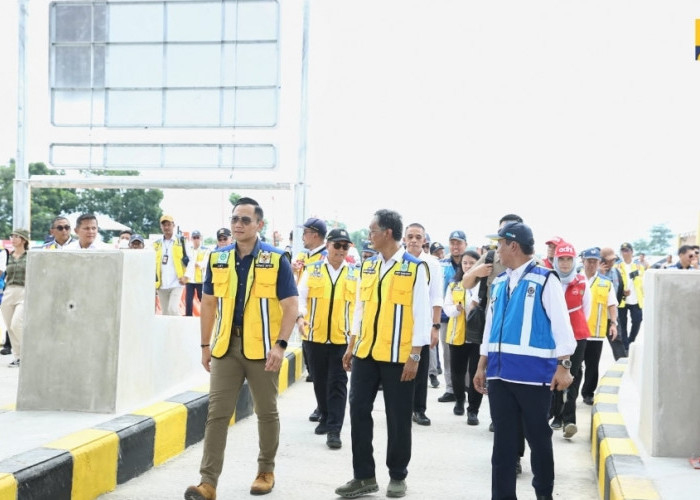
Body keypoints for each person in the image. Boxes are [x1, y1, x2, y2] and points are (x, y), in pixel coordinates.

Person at [184, 197, 298, 499]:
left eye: (246, 220)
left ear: (259, 224)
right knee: (216, 414)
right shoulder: (217, 257)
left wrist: (280, 345)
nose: (238, 224)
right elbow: (207, 303)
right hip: (225, 348)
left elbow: (291, 306)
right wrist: (205, 345)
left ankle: (265, 471)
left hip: (263, 350)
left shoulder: (276, 259)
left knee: (266, 411)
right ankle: (207, 483)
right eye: (235, 219)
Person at [473, 221, 576, 500]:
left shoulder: (545, 279)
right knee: (503, 445)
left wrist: (564, 366)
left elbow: (562, 327)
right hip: (499, 375)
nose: (496, 251)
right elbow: (490, 327)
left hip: (533, 376)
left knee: (539, 439)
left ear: (513, 246)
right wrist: (482, 364)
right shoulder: (499, 283)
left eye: (499, 245)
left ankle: (544, 494)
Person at [335, 209, 430, 499]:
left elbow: (422, 316)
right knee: (359, 410)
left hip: (399, 357)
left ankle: (397, 475)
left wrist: (415, 356)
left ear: (387, 232)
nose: (368, 235)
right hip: (366, 352)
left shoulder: (415, 267)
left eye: (372, 230)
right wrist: (352, 345)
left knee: (398, 416)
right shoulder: (368, 266)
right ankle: (363, 476)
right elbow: (360, 309)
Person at [296, 228, 356, 449]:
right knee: (319, 381)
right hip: (314, 336)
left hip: (342, 338)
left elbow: (359, 307)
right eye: (337, 245)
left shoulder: (354, 274)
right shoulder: (312, 270)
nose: (340, 250)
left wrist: (355, 337)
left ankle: (334, 429)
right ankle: (325, 413)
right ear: (328, 245)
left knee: (338, 384)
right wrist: (300, 318)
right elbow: (300, 296)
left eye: (345, 246)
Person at [548, 241, 591, 439]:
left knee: (572, 375)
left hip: (577, 335)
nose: (565, 264)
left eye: (568, 259)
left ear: (574, 261)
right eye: (561, 259)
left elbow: (586, 309)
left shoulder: (582, 281)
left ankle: (569, 419)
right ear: (555, 260)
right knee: (555, 373)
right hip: (554, 336)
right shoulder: (550, 279)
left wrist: (575, 329)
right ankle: (556, 415)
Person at [402, 223, 442, 427]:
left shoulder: (432, 264)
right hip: (400, 325)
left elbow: (436, 297)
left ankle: (419, 409)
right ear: (404, 238)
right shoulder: (399, 261)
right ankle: (402, 408)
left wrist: (435, 326)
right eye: (410, 236)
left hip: (424, 325)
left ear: (424, 240)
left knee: (420, 366)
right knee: (399, 368)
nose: (414, 240)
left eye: (418, 237)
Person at [292, 217, 328, 420]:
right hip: (303, 316)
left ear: (315, 234)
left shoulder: (326, 257)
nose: (303, 237)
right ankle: (321, 405)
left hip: (321, 319)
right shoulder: (302, 256)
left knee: (323, 370)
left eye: (305, 232)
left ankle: (325, 407)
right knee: (314, 368)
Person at [443, 249, 483, 424]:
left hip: (477, 337)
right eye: (465, 263)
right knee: (457, 372)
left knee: (475, 372)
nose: (468, 266)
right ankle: (459, 400)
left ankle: (473, 410)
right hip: (457, 333)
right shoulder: (454, 285)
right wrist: (456, 309)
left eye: (471, 263)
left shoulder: (483, 285)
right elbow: (447, 307)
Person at [579, 247, 619, 405]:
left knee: (592, 366)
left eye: (595, 262)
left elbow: (612, 305)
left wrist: (614, 324)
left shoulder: (605, 283)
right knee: (575, 366)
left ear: (599, 263)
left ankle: (588, 393)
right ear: (583, 261)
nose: (591, 264)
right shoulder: (575, 280)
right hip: (577, 332)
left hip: (596, 332)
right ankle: (570, 393)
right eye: (589, 261)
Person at [434, 229, 468, 404]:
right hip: (447, 317)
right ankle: (450, 388)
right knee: (448, 354)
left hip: (467, 318)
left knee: (467, 354)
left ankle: (466, 387)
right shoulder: (442, 265)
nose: (455, 246)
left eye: (459, 243)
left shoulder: (472, 262)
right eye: (452, 243)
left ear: (465, 245)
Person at [1, 229, 30, 368]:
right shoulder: (7, 255)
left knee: (16, 324)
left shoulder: (30, 256)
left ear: (23, 240)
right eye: (12, 236)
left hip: (24, 291)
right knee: (10, 328)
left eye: (16, 236)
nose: (13, 238)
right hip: (8, 292)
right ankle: (18, 357)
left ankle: (29, 354)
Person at [153, 215, 188, 316]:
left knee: (172, 309)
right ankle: (169, 332)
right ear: (161, 227)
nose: (166, 227)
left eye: (169, 224)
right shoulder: (156, 244)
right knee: (165, 313)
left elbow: (191, 259)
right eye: (164, 225)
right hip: (162, 284)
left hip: (177, 282)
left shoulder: (181, 241)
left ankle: (180, 329)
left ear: (173, 225)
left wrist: (187, 276)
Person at [598, 247, 627, 360]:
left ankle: (623, 367)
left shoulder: (616, 272)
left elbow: (619, 290)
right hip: (597, 314)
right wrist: (600, 274)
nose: (611, 262)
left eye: (613, 260)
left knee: (617, 341)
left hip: (612, 314)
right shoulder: (595, 273)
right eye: (608, 260)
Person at [617, 242, 644, 353]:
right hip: (622, 299)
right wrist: (622, 291)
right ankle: (625, 346)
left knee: (637, 320)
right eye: (623, 250)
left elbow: (642, 281)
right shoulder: (617, 266)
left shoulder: (638, 266)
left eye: (627, 250)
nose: (625, 253)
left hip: (635, 298)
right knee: (622, 324)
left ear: (632, 252)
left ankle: (630, 340)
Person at [185, 230, 209, 316]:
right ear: (191, 239)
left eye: (197, 237)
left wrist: (198, 264)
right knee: (188, 300)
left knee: (202, 298)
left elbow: (206, 262)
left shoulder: (206, 250)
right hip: (190, 279)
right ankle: (188, 317)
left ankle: (206, 316)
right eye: (194, 238)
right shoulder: (188, 250)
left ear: (201, 238)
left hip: (201, 280)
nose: (196, 240)